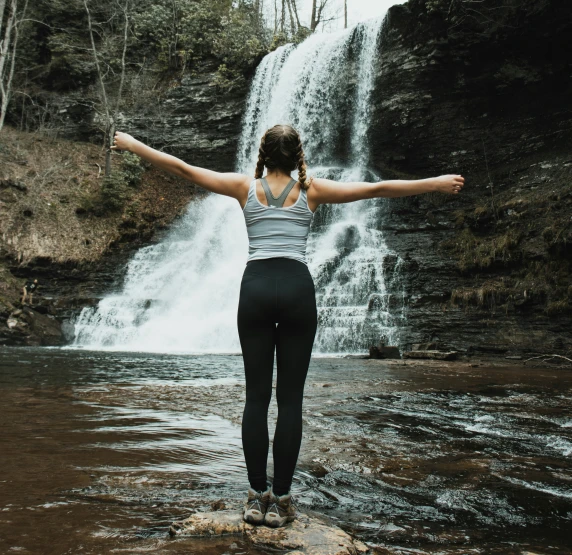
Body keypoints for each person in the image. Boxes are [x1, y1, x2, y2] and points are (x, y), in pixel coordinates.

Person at [111, 124, 465, 528]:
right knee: (290, 402)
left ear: (263, 153)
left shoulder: (244, 186)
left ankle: (254, 496)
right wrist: (435, 183)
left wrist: (133, 144)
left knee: (256, 399)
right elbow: (377, 189)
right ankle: (281, 500)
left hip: (256, 289)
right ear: (298, 155)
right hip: (297, 290)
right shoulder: (312, 190)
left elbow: (184, 169)